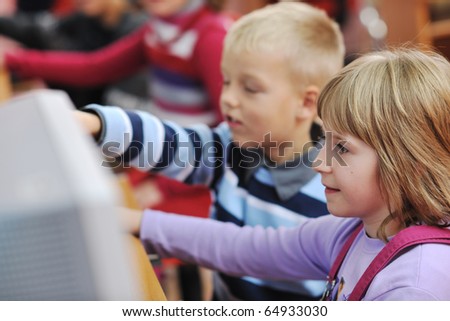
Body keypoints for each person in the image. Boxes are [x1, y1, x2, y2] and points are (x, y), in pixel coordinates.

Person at [76, 2, 345, 300]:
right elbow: (168, 142)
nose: (228, 99)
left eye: (250, 89)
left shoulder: (333, 194)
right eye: (227, 82)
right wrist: (96, 124)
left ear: (307, 103)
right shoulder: (229, 148)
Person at [0, 0, 148, 107]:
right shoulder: (81, 19)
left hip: (113, 122)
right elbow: (36, 30)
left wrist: (14, 61)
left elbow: (92, 69)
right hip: (83, 113)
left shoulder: (137, 28)